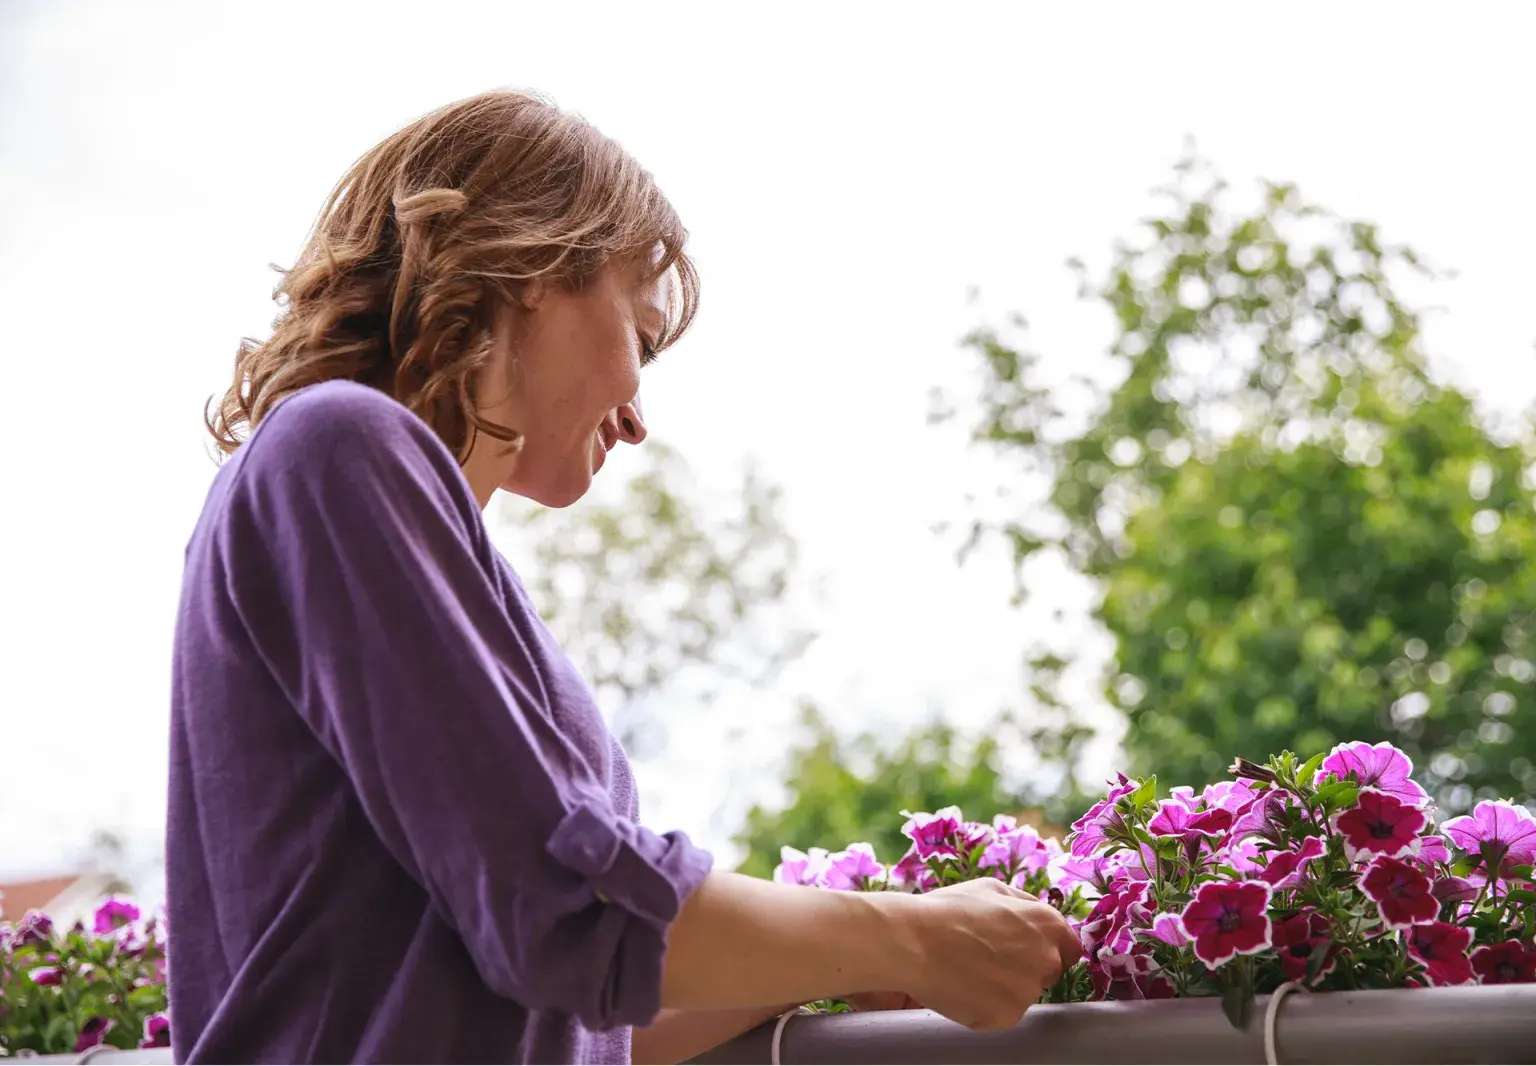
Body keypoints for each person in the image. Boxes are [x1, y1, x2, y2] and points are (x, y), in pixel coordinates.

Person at [167, 88, 1081, 1065]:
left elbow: (587, 1009)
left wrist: (837, 963)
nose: (639, 415)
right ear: (523, 265)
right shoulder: (335, 447)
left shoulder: (391, 520)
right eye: (640, 339)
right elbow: (569, 908)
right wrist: (915, 936)